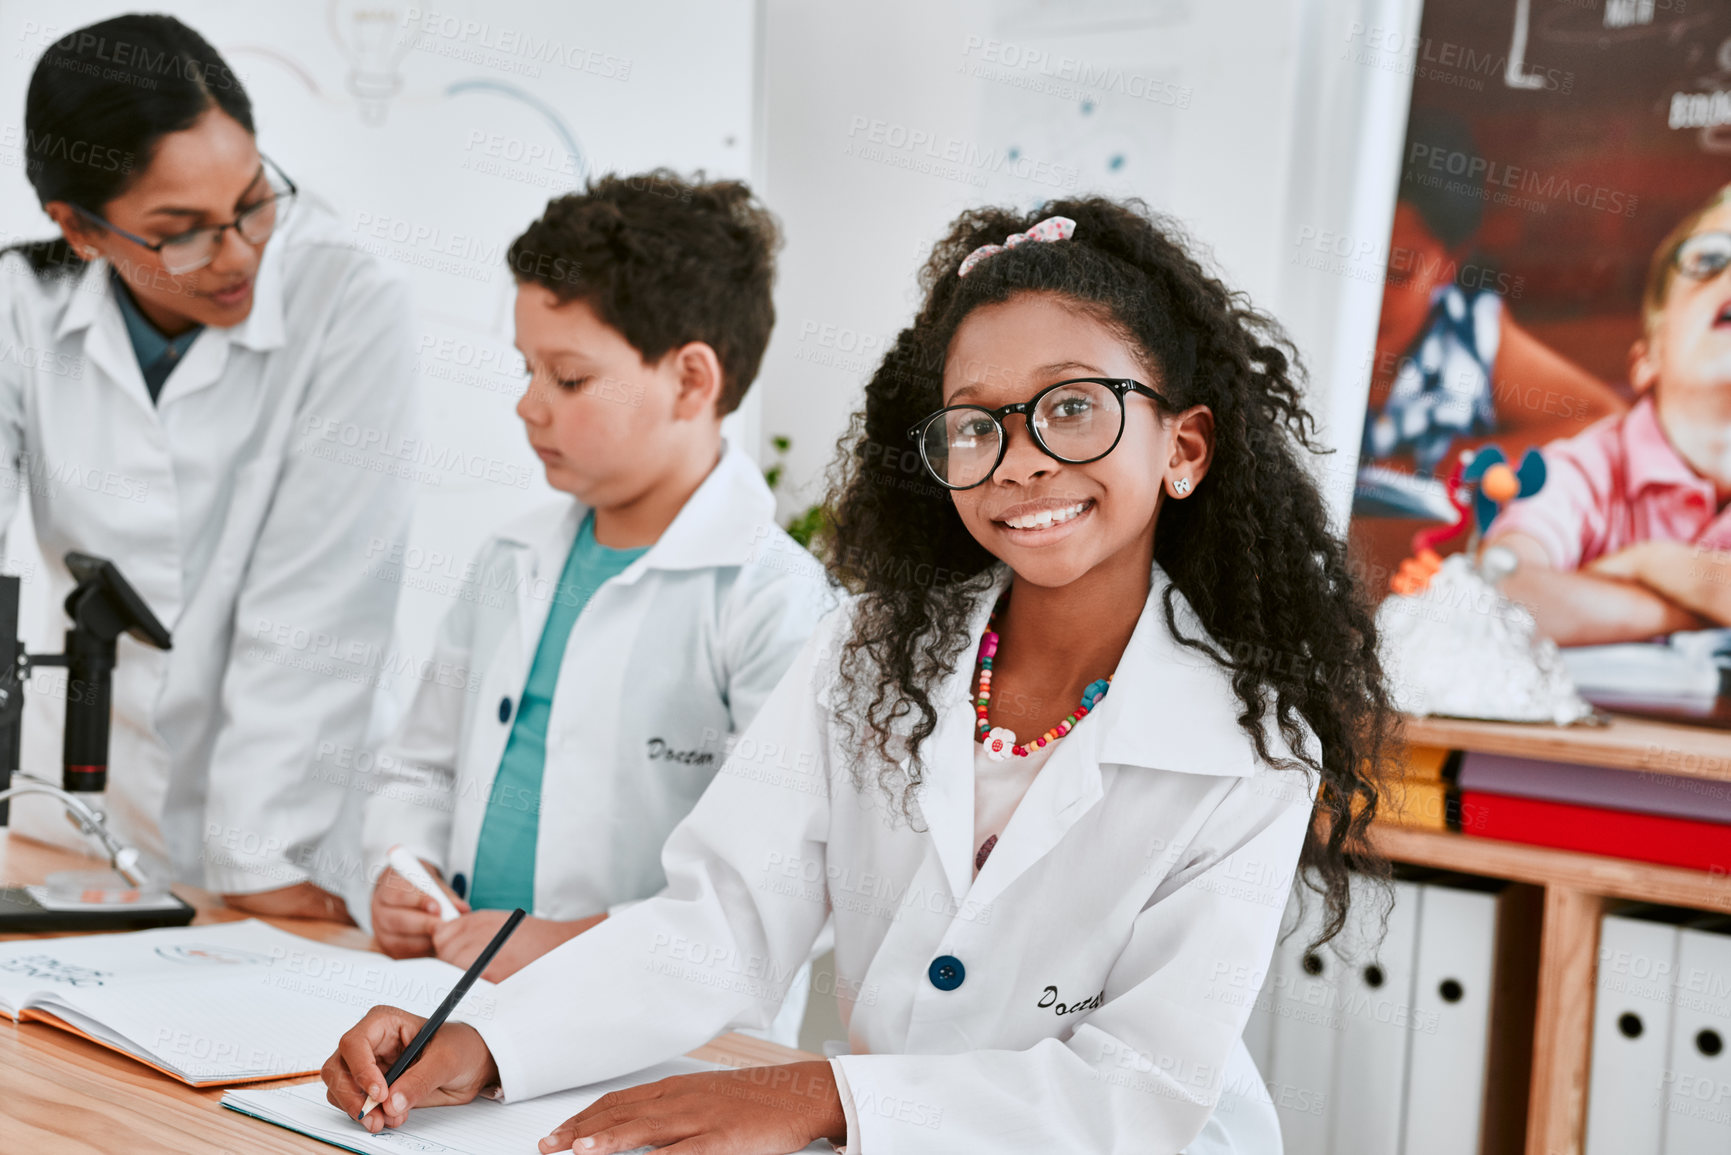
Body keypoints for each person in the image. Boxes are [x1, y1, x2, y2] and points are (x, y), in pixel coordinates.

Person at [323, 197, 1397, 1153]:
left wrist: (826, 1093)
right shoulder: (870, 653)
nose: (1020, 458)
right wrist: (488, 1042)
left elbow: (1138, 1092)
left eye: (1074, 407)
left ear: (1186, 447)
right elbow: (724, 922)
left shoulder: (1249, 742)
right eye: (976, 424)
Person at [360, 174, 829, 1045]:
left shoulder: (774, 603)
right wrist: (403, 865)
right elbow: (417, 769)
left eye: (568, 377)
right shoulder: (511, 561)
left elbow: (776, 885)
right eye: (526, 367)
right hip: (455, 1003)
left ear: (690, 379)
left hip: (667, 1043)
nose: (528, 403)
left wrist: (566, 945)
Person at [0, 15, 415, 918]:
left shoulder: (345, 301)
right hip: (80, 812)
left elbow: (318, 604)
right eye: (181, 231)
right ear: (77, 227)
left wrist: (259, 857)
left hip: (291, 823)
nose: (238, 256)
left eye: (255, 199)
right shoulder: (19, 308)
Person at [1488, 184, 1731, 645]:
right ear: (1645, 361)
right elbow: (1502, 592)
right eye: (1709, 260)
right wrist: (1702, 599)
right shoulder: (1582, 471)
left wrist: (1654, 564)